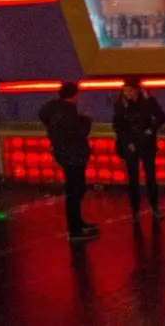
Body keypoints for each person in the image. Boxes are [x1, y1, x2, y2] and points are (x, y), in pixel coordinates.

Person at [39, 81, 96, 242]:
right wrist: (86, 119)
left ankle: (78, 224)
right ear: (74, 95)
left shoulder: (52, 108)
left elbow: (43, 115)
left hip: (63, 155)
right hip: (74, 156)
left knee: (74, 191)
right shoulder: (69, 112)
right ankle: (75, 230)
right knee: (75, 192)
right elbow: (79, 133)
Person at [113, 77, 165, 221]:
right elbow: (118, 126)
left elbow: (161, 117)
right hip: (131, 144)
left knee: (150, 177)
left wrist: (152, 129)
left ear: (137, 90)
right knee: (133, 179)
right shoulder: (121, 105)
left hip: (145, 143)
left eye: (130, 90)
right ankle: (135, 210)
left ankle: (154, 207)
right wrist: (128, 141)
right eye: (125, 91)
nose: (127, 94)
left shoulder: (149, 103)